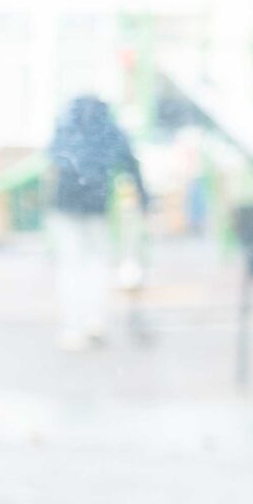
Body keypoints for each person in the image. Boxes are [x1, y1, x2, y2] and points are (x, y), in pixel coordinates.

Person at [45, 93, 147, 351]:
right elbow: (130, 163)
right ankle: (95, 321)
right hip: (95, 203)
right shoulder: (108, 129)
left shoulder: (67, 127)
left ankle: (73, 327)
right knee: (96, 263)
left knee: (71, 265)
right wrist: (144, 200)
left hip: (65, 202)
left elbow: (53, 160)